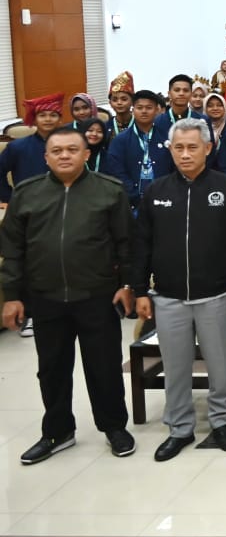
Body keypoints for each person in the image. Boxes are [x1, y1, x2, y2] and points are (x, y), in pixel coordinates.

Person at [0, 127, 137, 464]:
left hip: (97, 295)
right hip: (45, 297)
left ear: (86, 154)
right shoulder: (27, 193)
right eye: (57, 151)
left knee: (104, 367)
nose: (64, 155)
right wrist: (12, 296)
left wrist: (128, 285)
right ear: (46, 157)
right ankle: (58, 431)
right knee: (52, 369)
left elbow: (126, 244)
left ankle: (114, 427)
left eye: (72, 150)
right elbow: (12, 249)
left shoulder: (109, 191)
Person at [130, 119, 226, 461]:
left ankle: (223, 421)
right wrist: (140, 289)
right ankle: (179, 427)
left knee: (221, 364)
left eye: (192, 147)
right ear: (170, 150)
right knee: (175, 367)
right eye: (178, 148)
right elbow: (141, 244)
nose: (185, 154)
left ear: (207, 148)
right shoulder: (156, 191)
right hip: (168, 296)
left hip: (217, 294)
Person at [106, 89, 174, 208]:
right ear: (133, 110)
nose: (144, 111)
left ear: (156, 110)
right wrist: (134, 194)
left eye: (149, 108)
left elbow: (174, 167)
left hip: (165, 200)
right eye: (139, 107)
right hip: (132, 203)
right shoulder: (120, 140)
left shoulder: (167, 137)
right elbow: (116, 171)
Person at [0, 93, 66, 203]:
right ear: (34, 120)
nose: (48, 119)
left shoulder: (69, 146)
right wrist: (9, 198)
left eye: (53, 115)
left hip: (64, 203)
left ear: (60, 120)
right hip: (28, 205)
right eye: (42, 115)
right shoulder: (17, 147)